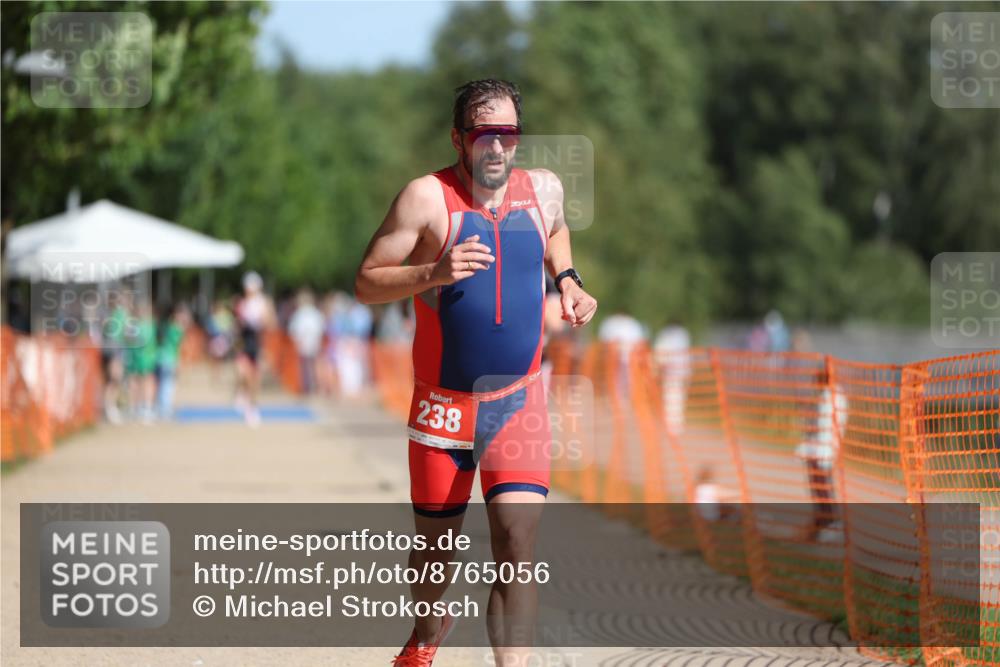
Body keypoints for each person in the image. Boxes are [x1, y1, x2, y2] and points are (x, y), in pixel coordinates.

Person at [354, 79, 598, 667]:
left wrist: (568, 280)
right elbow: (365, 281)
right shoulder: (425, 198)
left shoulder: (543, 189)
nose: (498, 147)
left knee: (517, 544)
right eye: (485, 134)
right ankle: (426, 636)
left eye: (509, 134)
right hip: (444, 406)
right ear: (459, 138)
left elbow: (557, 231)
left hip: (517, 401)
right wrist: (432, 273)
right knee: (435, 556)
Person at [795, 368, 848, 542]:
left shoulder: (827, 396)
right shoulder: (837, 395)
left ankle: (829, 524)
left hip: (820, 449)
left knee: (822, 491)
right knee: (822, 490)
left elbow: (819, 424)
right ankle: (821, 525)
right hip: (827, 448)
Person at [234, 271, 275, 427]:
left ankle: (252, 408)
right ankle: (242, 394)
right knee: (241, 372)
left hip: (257, 343)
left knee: (254, 379)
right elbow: (238, 325)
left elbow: (270, 322)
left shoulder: (263, 302)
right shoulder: (242, 303)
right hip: (245, 342)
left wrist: (262, 319)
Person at [155, 302, 190, 419]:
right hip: (169, 360)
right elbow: (180, 347)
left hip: (161, 358)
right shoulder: (176, 328)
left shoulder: (166, 325)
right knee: (168, 385)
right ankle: (165, 409)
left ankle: (162, 408)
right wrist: (179, 362)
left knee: (163, 384)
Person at [288, 289, 325, 395]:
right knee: (313, 366)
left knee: (307, 367)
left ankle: (309, 387)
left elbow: (294, 330)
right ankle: (315, 387)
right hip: (313, 343)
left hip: (305, 343)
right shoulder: (315, 313)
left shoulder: (300, 313)